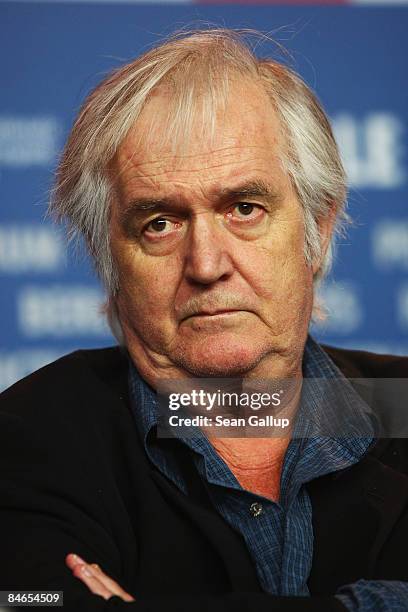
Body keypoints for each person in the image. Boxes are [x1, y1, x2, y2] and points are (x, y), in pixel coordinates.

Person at [1, 28, 408, 612]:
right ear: (108, 259)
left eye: (245, 208)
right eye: (159, 223)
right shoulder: (26, 436)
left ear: (316, 230)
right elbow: (29, 601)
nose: (207, 265)